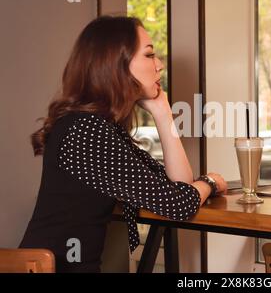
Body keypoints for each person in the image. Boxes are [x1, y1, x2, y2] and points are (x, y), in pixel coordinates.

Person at [19, 16, 227, 272]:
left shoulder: (97, 126)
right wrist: (210, 182)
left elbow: (177, 187)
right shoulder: (87, 130)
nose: (159, 65)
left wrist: (163, 113)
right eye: (149, 55)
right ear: (117, 64)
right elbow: (177, 204)